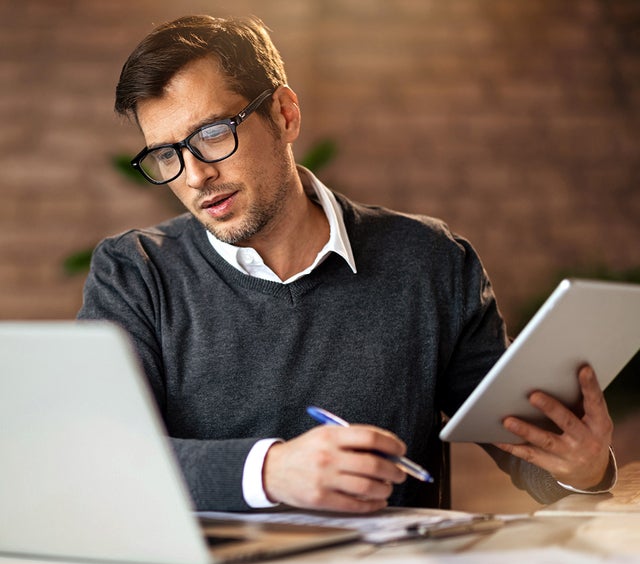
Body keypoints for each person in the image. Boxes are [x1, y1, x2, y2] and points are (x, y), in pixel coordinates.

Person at [78, 15, 616, 513]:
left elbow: (527, 451)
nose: (194, 177)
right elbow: (99, 456)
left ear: (285, 115)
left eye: (213, 134)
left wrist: (581, 469)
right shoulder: (135, 272)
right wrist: (270, 471)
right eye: (167, 155)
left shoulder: (430, 262)